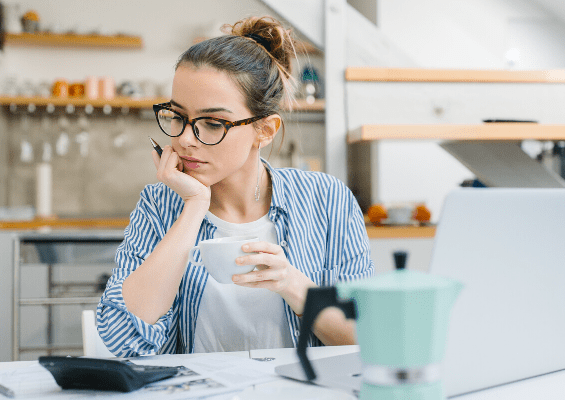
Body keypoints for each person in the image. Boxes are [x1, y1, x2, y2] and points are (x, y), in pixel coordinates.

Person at [97, 16, 374, 357]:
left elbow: (365, 339)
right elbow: (122, 339)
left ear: (265, 130)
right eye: (177, 116)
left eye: (212, 123)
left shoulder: (326, 199)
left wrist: (292, 283)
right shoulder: (159, 203)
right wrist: (194, 206)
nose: (185, 140)